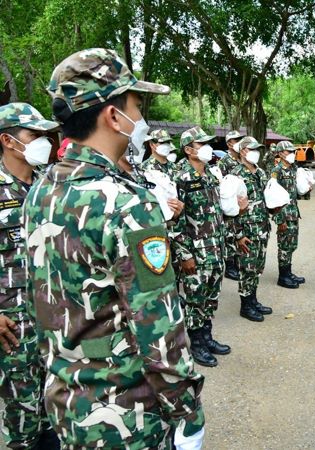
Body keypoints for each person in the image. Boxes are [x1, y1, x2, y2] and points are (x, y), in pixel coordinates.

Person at [24, 48, 205, 449]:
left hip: (67, 404)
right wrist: (187, 412)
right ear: (112, 115)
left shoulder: (41, 190)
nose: (140, 121)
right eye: (137, 108)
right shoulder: (125, 202)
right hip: (126, 415)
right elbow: (158, 330)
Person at [0, 103, 60, 450]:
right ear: (8, 140)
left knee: (55, 408)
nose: (43, 141)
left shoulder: (48, 186)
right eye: (34, 135)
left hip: (54, 318)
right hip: (13, 325)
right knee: (22, 418)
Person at [172, 126, 230, 368]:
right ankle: (195, 344)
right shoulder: (179, 177)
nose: (207, 147)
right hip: (195, 251)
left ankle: (207, 337)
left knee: (211, 297)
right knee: (196, 299)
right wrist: (185, 254)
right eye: (201, 144)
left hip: (216, 248)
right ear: (188, 150)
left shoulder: (210, 175)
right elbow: (174, 221)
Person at [232, 136, 273, 322]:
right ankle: (245, 305)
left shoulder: (261, 173)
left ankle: (253, 300)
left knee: (257, 268)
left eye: (258, 149)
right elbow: (230, 210)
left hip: (262, 227)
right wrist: (238, 235)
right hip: (246, 231)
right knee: (246, 268)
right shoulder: (235, 175)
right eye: (252, 149)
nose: (257, 152)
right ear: (242, 151)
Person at [271, 141, 305, 288]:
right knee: (284, 246)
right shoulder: (276, 171)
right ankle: (283, 276)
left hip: (293, 213)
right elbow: (272, 198)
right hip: (284, 215)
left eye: (292, 151)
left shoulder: (293, 169)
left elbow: (295, 191)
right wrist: (279, 220)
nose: (292, 153)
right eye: (288, 151)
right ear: (280, 154)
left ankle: (288, 272)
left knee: (291, 245)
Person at [218, 130, 245, 281]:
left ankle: (237, 261)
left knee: (239, 232)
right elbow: (222, 186)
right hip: (230, 205)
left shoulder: (241, 160)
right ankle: (229, 266)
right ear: (229, 144)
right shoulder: (224, 162)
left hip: (241, 204)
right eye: (236, 140)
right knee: (230, 234)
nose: (239, 142)